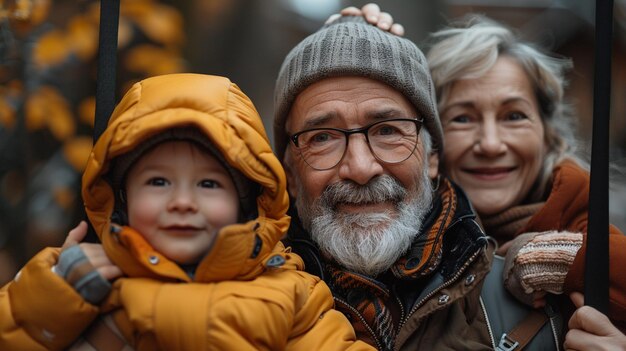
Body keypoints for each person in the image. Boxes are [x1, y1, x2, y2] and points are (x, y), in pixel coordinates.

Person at [0, 73, 374, 351]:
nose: (182, 202)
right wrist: (52, 296)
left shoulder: (291, 292)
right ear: (121, 199)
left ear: (246, 203)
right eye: (158, 182)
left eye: (208, 185)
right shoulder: (84, 277)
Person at [334, 4, 626, 348]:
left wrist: (565, 259)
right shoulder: (392, 236)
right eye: (462, 118)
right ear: (427, 145)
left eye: (514, 116)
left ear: (548, 135)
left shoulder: (590, 219)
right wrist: (346, 49)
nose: (490, 143)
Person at [273, 15, 496, 351]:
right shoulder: (244, 308)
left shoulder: (526, 300)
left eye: (388, 130)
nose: (360, 168)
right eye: (322, 137)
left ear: (432, 157)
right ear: (289, 174)